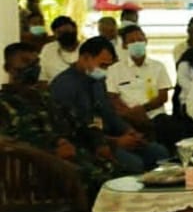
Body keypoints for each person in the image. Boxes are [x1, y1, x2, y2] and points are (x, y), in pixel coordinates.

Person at [0, 42, 115, 196]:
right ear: (8, 68)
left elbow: (77, 123)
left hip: (73, 158)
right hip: (36, 169)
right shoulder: (4, 103)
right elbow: (11, 144)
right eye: (25, 62)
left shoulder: (45, 98)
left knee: (118, 174)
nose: (32, 68)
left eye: (36, 63)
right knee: (95, 182)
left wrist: (99, 142)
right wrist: (53, 148)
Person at [49, 37, 169, 173]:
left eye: (108, 66)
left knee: (158, 152)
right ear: (85, 58)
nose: (105, 71)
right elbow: (76, 130)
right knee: (133, 164)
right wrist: (115, 141)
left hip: (109, 136)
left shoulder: (96, 79)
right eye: (103, 65)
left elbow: (108, 112)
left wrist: (129, 131)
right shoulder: (65, 86)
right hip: (86, 145)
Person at [106, 25, 180, 148]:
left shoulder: (158, 66)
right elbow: (113, 98)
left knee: (170, 126)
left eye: (140, 40)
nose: (137, 43)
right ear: (124, 45)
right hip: (128, 117)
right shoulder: (114, 70)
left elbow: (163, 96)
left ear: (146, 41)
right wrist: (131, 114)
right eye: (132, 41)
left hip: (155, 116)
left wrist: (142, 109)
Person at [39, 16, 80, 82]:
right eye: (60, 32)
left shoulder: (88, 48)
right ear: (55, 34)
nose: (65, 35)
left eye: (67, 30)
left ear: (75, 29)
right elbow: (43, 77)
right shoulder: (48, 49)